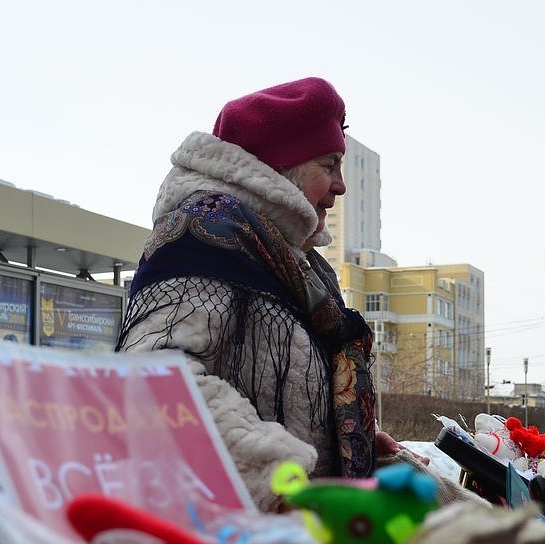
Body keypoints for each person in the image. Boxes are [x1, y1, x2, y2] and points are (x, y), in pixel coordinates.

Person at [116, 77, 450, 511]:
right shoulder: (203, 237)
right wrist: (286, 487)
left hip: (299, 543)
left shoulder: (295, 262)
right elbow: (153, 386)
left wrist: (350, 440)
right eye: (329, 166)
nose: (341, 186)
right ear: (284, 167)